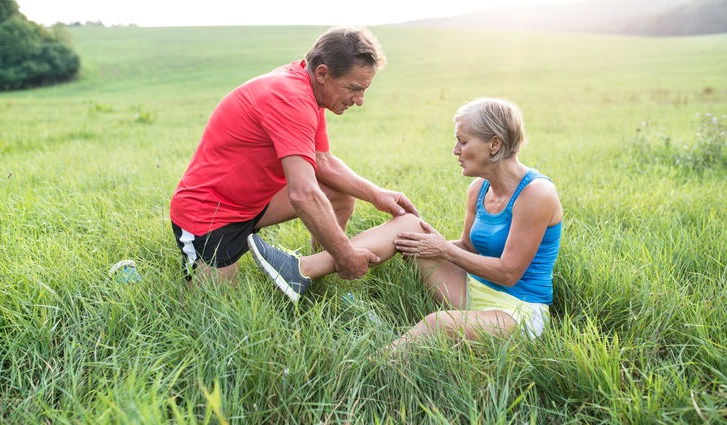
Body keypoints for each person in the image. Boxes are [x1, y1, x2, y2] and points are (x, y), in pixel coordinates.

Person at [248, 97, 562, 349]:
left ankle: (372, 370)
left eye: (463, 142)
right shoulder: (479, 189)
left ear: (494, 144)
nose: (455, 151)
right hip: (473, 290)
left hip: (518, 312)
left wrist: (443, 250)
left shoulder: (536, 195)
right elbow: (467, 246)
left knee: (437, 324)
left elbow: (508, 273)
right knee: (408, 224)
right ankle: (300, 270)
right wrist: (416, 245)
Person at [169, 27, 418, 298]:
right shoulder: (290, 98)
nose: (358, 101)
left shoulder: (309, 88)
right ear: (323, 73)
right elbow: (303, 193)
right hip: (210, 214)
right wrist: (345, 255)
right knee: (218, 311)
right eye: (353, 88)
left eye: (363, 90)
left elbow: (323, 161)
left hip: (254, 205)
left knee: (339, 195)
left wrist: (377, 195)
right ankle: (318, 263)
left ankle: (308, 270)